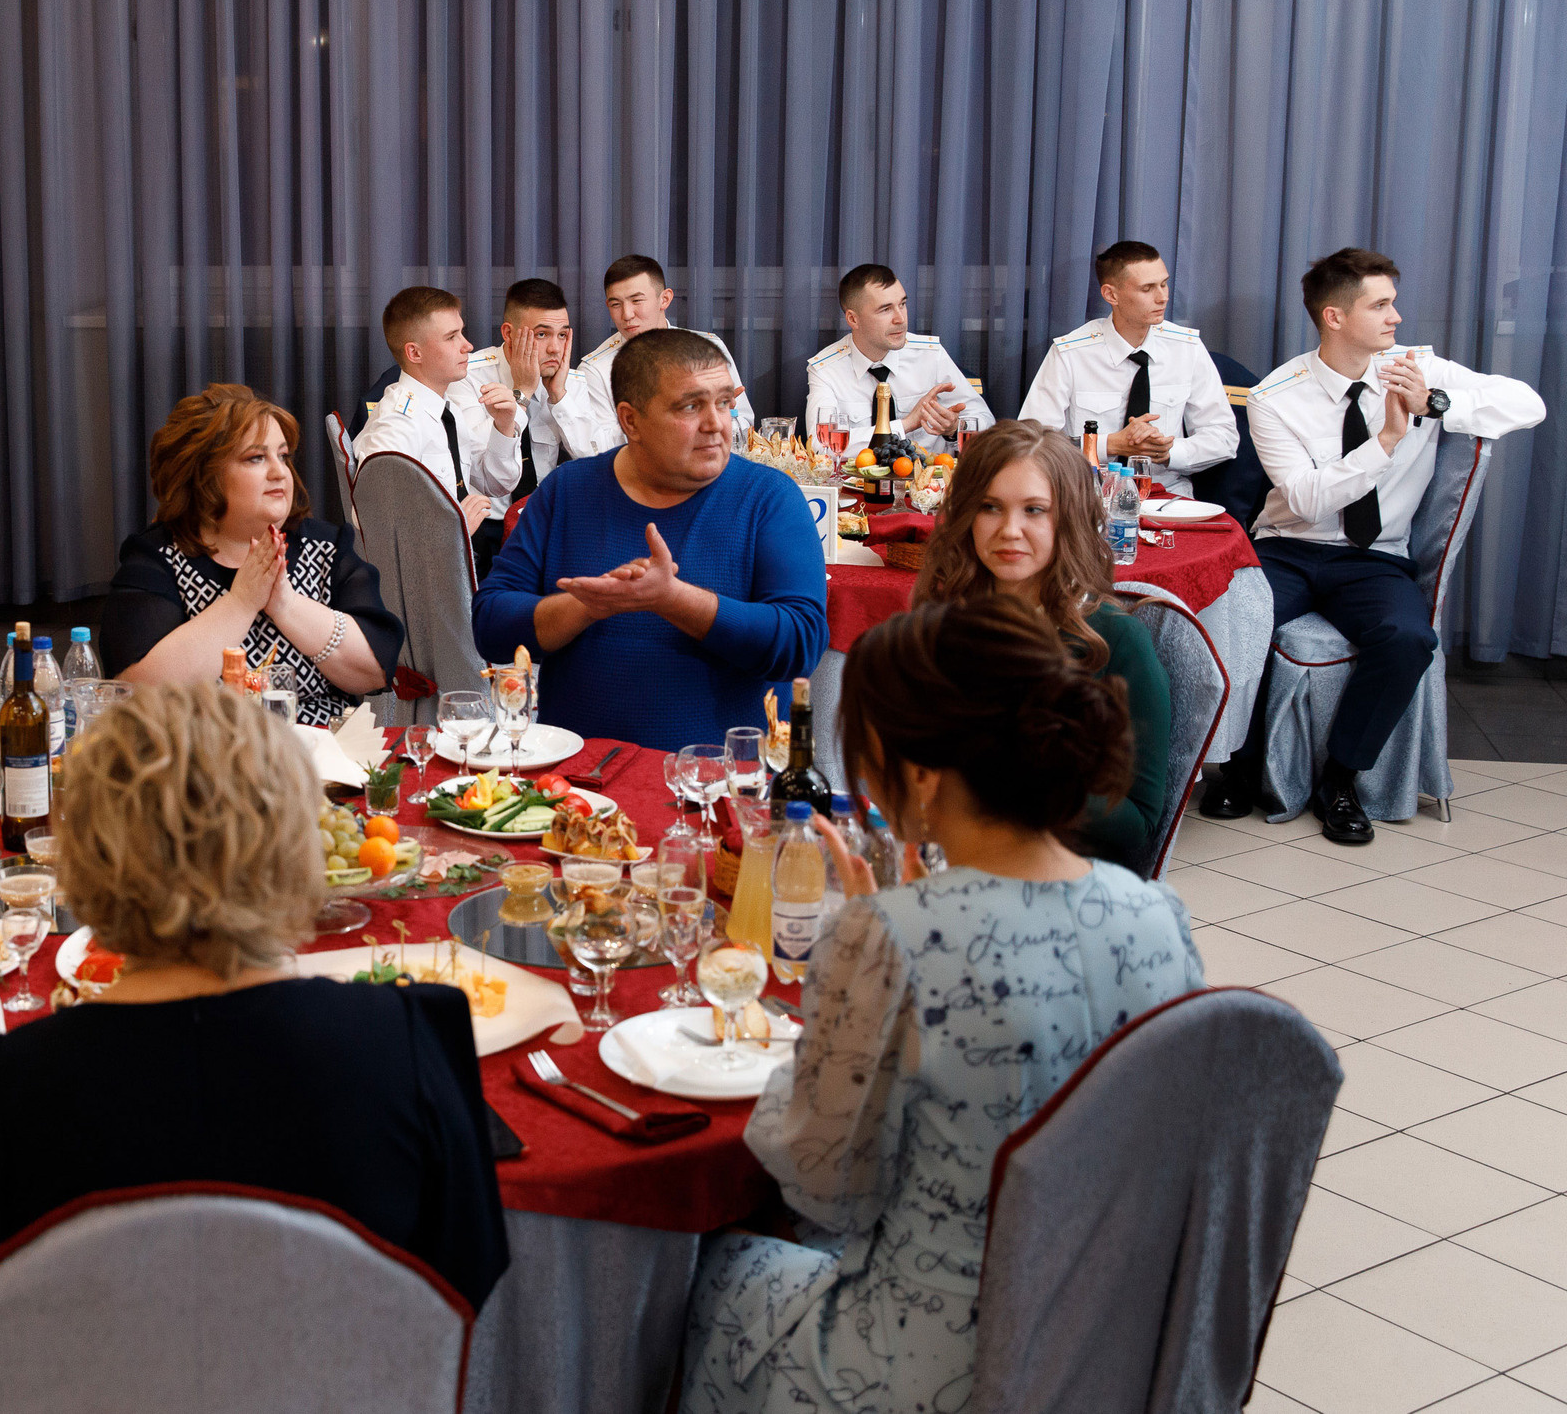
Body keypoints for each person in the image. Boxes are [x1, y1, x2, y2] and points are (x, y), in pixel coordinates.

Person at [679, 596, 1204, 1413]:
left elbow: (823, 1185)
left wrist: (848, 983)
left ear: (920, 776)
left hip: (937, 1363)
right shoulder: (1158, 916)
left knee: (704, 1274)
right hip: (1110, 1341)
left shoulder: (893, 936)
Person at [0, 681, 509, 1311]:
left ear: (85, 858)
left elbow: (4, 1332)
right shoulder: (407, 1046)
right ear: (293, 846)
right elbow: (465, 1293)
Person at [1200, 248, 1545, 843]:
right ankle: (1237, 767)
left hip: (1375, 555)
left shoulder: (1416, 369)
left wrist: (1436, 404)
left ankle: (1342, 778)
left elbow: (1527, 405)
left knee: (1409, 638)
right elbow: (1306, 499)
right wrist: (1387, 439)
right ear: (1334, 318)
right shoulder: (1276, 395)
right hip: (1289, 546)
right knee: (1236, 622)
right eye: (1381, 305)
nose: (1397, 318)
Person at [473, 329, 827, 747]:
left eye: (725, 402)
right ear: (630, 420)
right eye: (691, 406)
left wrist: (673, 600)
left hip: (719, 786)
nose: (717, 424)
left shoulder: (769, 497)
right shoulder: (568, 490)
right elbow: (491, 627)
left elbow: (799, 644)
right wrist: (585, 606)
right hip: (578, 781)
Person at [912, 421, 1172, 874]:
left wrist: (1017, 776)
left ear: (1067, 518)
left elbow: (1139, 822)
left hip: (1061, 877)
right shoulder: (941, 623)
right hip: (943, 857)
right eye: (990, 507)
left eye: (1034, 510)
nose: (1010, 530)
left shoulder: (1113, 641)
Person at [105, 385, 402, 726]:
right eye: (256, 458)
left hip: (319, 763)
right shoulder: (158, 558)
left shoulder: (326, 546)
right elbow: (138, 694)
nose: (279, 472)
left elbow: (374, 672)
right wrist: (241, 603)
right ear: (204, 475)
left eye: (283, 456)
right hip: (203, 763)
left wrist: (287, 606)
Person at [1018, 240, 1235, 496]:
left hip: (1166, 494)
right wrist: (1109, 444)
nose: (1162, 297)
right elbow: (1032, 441)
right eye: (1147, 288)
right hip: (1087, 493)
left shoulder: (1187, 347)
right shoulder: (1071, 353)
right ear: (1111, 295)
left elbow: (1224, 437)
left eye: (1164, 284)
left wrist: (1168, 452)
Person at [353, 285, 526, 575]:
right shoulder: (397, 423)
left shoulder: (445, 409)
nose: (467, 345)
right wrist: (452, 530)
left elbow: (495, 484)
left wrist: (504, 426)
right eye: (451, 337)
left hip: (465, 565)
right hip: (432, 581)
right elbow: (372, 522)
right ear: (414, 352)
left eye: (461, 332)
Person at [565, 254, 754, 455]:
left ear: (664, 299)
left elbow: (745, 426)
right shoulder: (596, 370)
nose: (627, 314)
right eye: (616, 304)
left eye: (637, 300)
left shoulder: (708, 348)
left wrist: (723, 413)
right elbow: (602, 451)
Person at [803, 262, 993, 454]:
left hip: (926, 479)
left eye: (902, 304)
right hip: (856, 482)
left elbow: (986, 422)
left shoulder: (930, 355)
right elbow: (820, 446)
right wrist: (906, 424)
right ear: (853, 319)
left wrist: (953, 429)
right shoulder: (825, 370)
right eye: (885, 309)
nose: (900, 319)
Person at [464, 277, 591, 521]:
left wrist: (559, 397)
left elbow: (595, 463)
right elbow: (480, 467)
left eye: (562, 335)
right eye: (542, 334)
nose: (555, 348)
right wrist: (521, 393)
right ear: (508, 334)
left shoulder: (571, 382)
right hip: (485, 524)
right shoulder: (467, 375)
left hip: (545, 522)